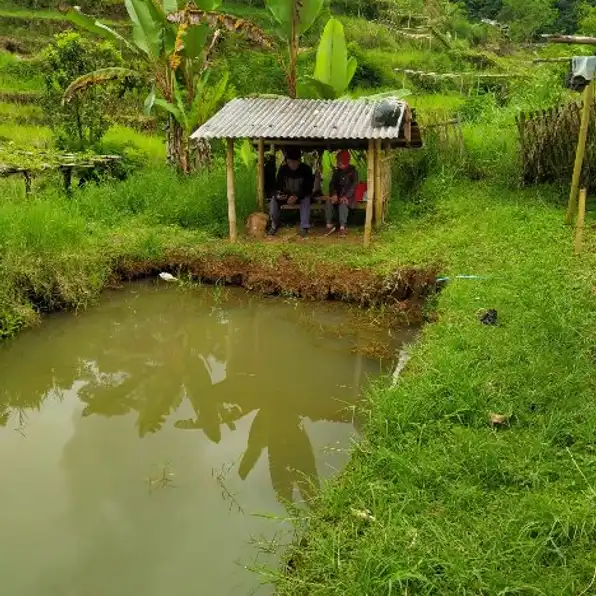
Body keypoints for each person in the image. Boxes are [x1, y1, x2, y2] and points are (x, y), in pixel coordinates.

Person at [268, 147, 314, 238]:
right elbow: (277, 187)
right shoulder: (283, 170)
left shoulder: (306, 170)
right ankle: (273, 225)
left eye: (294, 162)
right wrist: (279, 195)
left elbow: (308, 188)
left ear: (299, 161)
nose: (291, 164)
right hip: (286, 197)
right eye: (289, 162)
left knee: (306, 199)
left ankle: (304, 227)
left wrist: (297, 196)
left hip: (300, 196)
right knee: (274, 200)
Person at [325, 150, 358, 238]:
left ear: (346, 162)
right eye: (338, 162)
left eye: (340, 163)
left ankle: (342, 227)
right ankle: (329, 225)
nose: (338, 164)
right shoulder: (337, 172)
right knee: (329, 201)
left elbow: (353, 186)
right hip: (338, 195)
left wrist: (346, 196)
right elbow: (332, 184)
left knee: (343, 203)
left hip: (349, 196)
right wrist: (334, 194)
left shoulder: (353, 171)